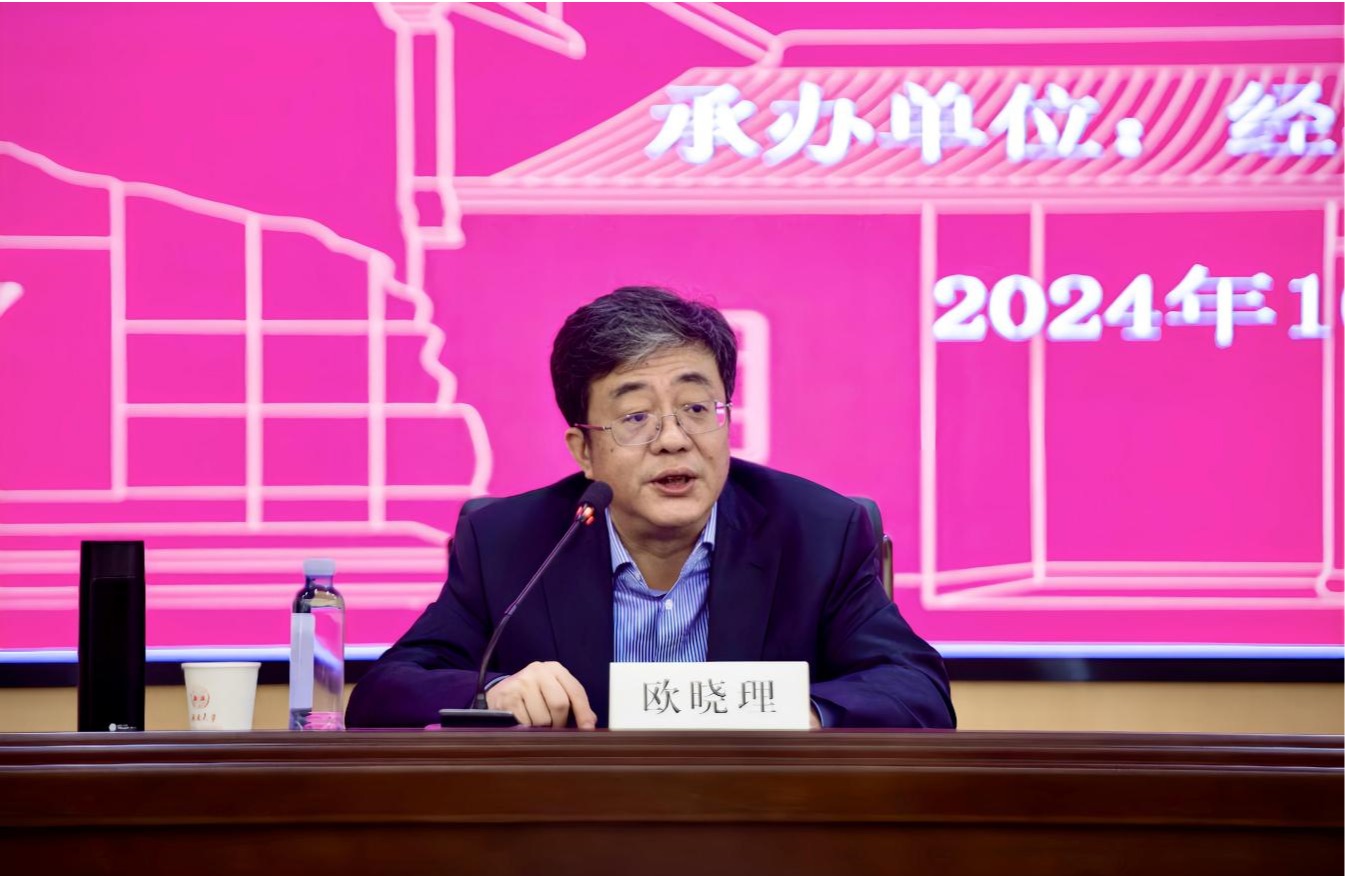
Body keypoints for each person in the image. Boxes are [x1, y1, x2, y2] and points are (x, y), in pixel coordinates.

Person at [346, 287, 955, 729]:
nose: (673, 439)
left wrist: (809, 711)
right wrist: (493, 693)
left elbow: (917, 690)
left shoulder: (817, 533)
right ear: (584, 450)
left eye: (697, 408)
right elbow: (383, 693)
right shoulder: (508, 543)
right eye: (635, 417)